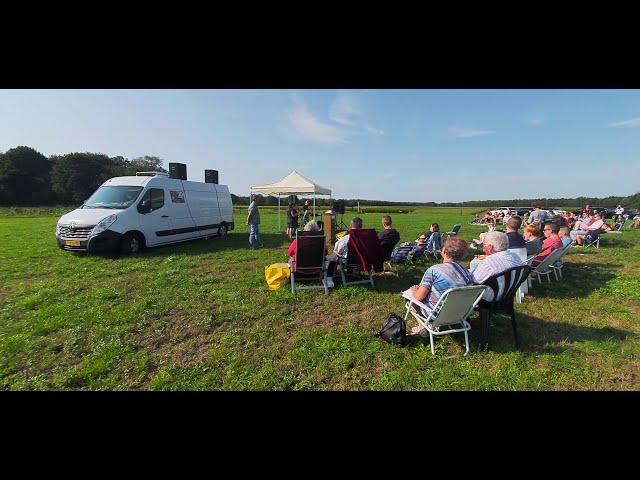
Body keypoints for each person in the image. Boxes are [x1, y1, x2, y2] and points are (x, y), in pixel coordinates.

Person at [406, 237, 475, 336]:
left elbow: (419, 297)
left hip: (435, 315)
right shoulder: (467, 273)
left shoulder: (434, 270)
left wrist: (414, 291)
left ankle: (423, 326)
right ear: (462, 255)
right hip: (459, 314)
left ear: (444, 251)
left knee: (411, 300)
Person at [470, 231, 524, 301]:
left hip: (489, 297)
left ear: (490, 247)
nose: (483, 249)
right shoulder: (515, 257)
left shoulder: (488, 263)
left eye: (484, 245)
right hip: (508, 293)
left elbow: (473, 281)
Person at [325, 217, 364, 288]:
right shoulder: (366, 238)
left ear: (350, 226)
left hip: (347, 261)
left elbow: (337, 251)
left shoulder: (345, 239)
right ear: (362, 226)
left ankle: (329, 278)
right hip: (362, 261)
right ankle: (351, 273)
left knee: (334, 257)